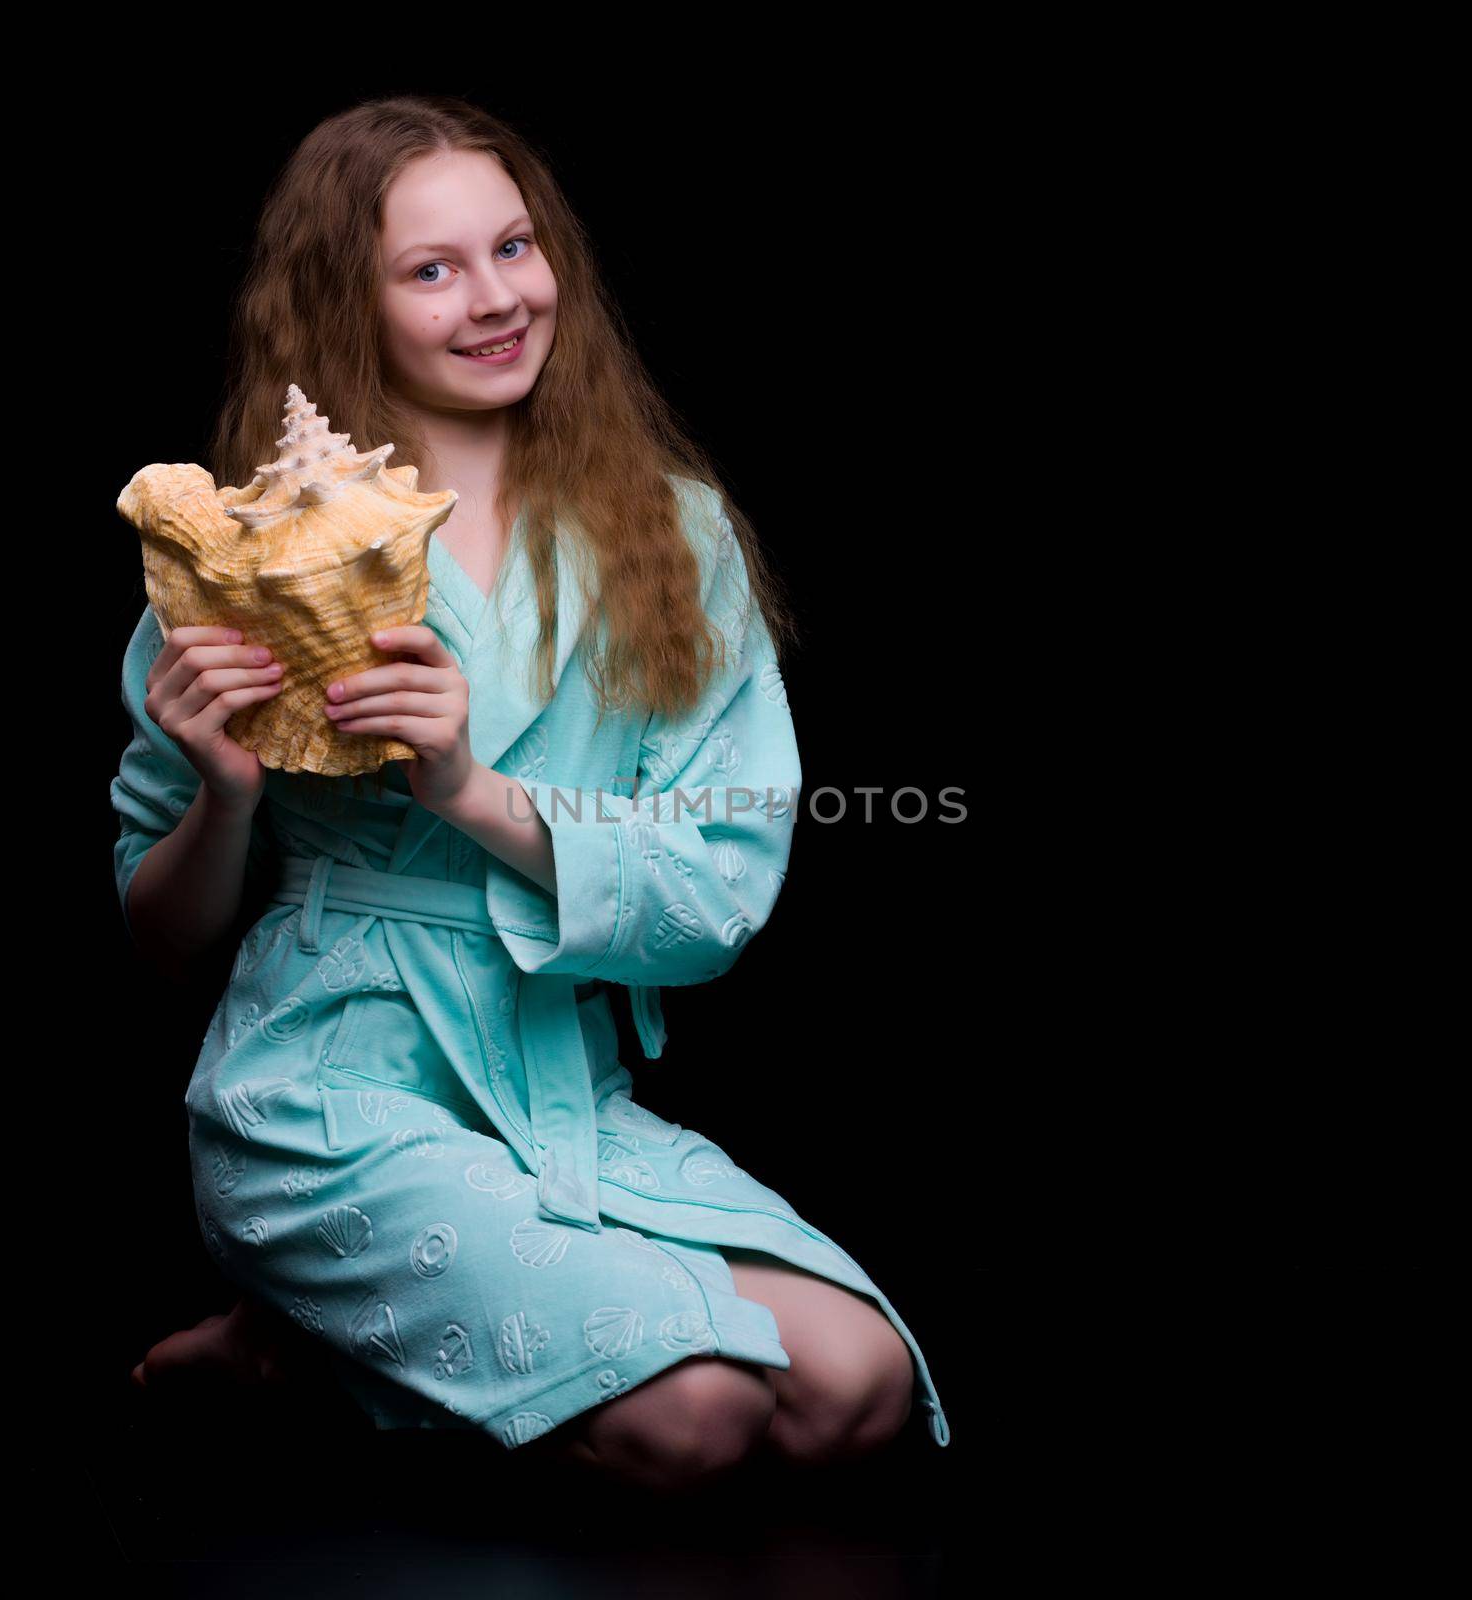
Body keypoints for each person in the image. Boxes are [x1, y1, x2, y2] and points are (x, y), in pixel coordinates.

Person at [112, 93, 951, 1492]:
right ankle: (299, 1344)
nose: (497, 298)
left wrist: (467, 788)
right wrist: (225, 794)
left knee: (853, 1388)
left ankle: (292, 1351)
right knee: (702, 1421)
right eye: (433, 270)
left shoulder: (667, 532)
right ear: (345, 302)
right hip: (324, 1092)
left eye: (515, 247)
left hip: (558, 1088)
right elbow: (158, 934)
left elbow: (718, 887)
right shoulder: (253, 547)